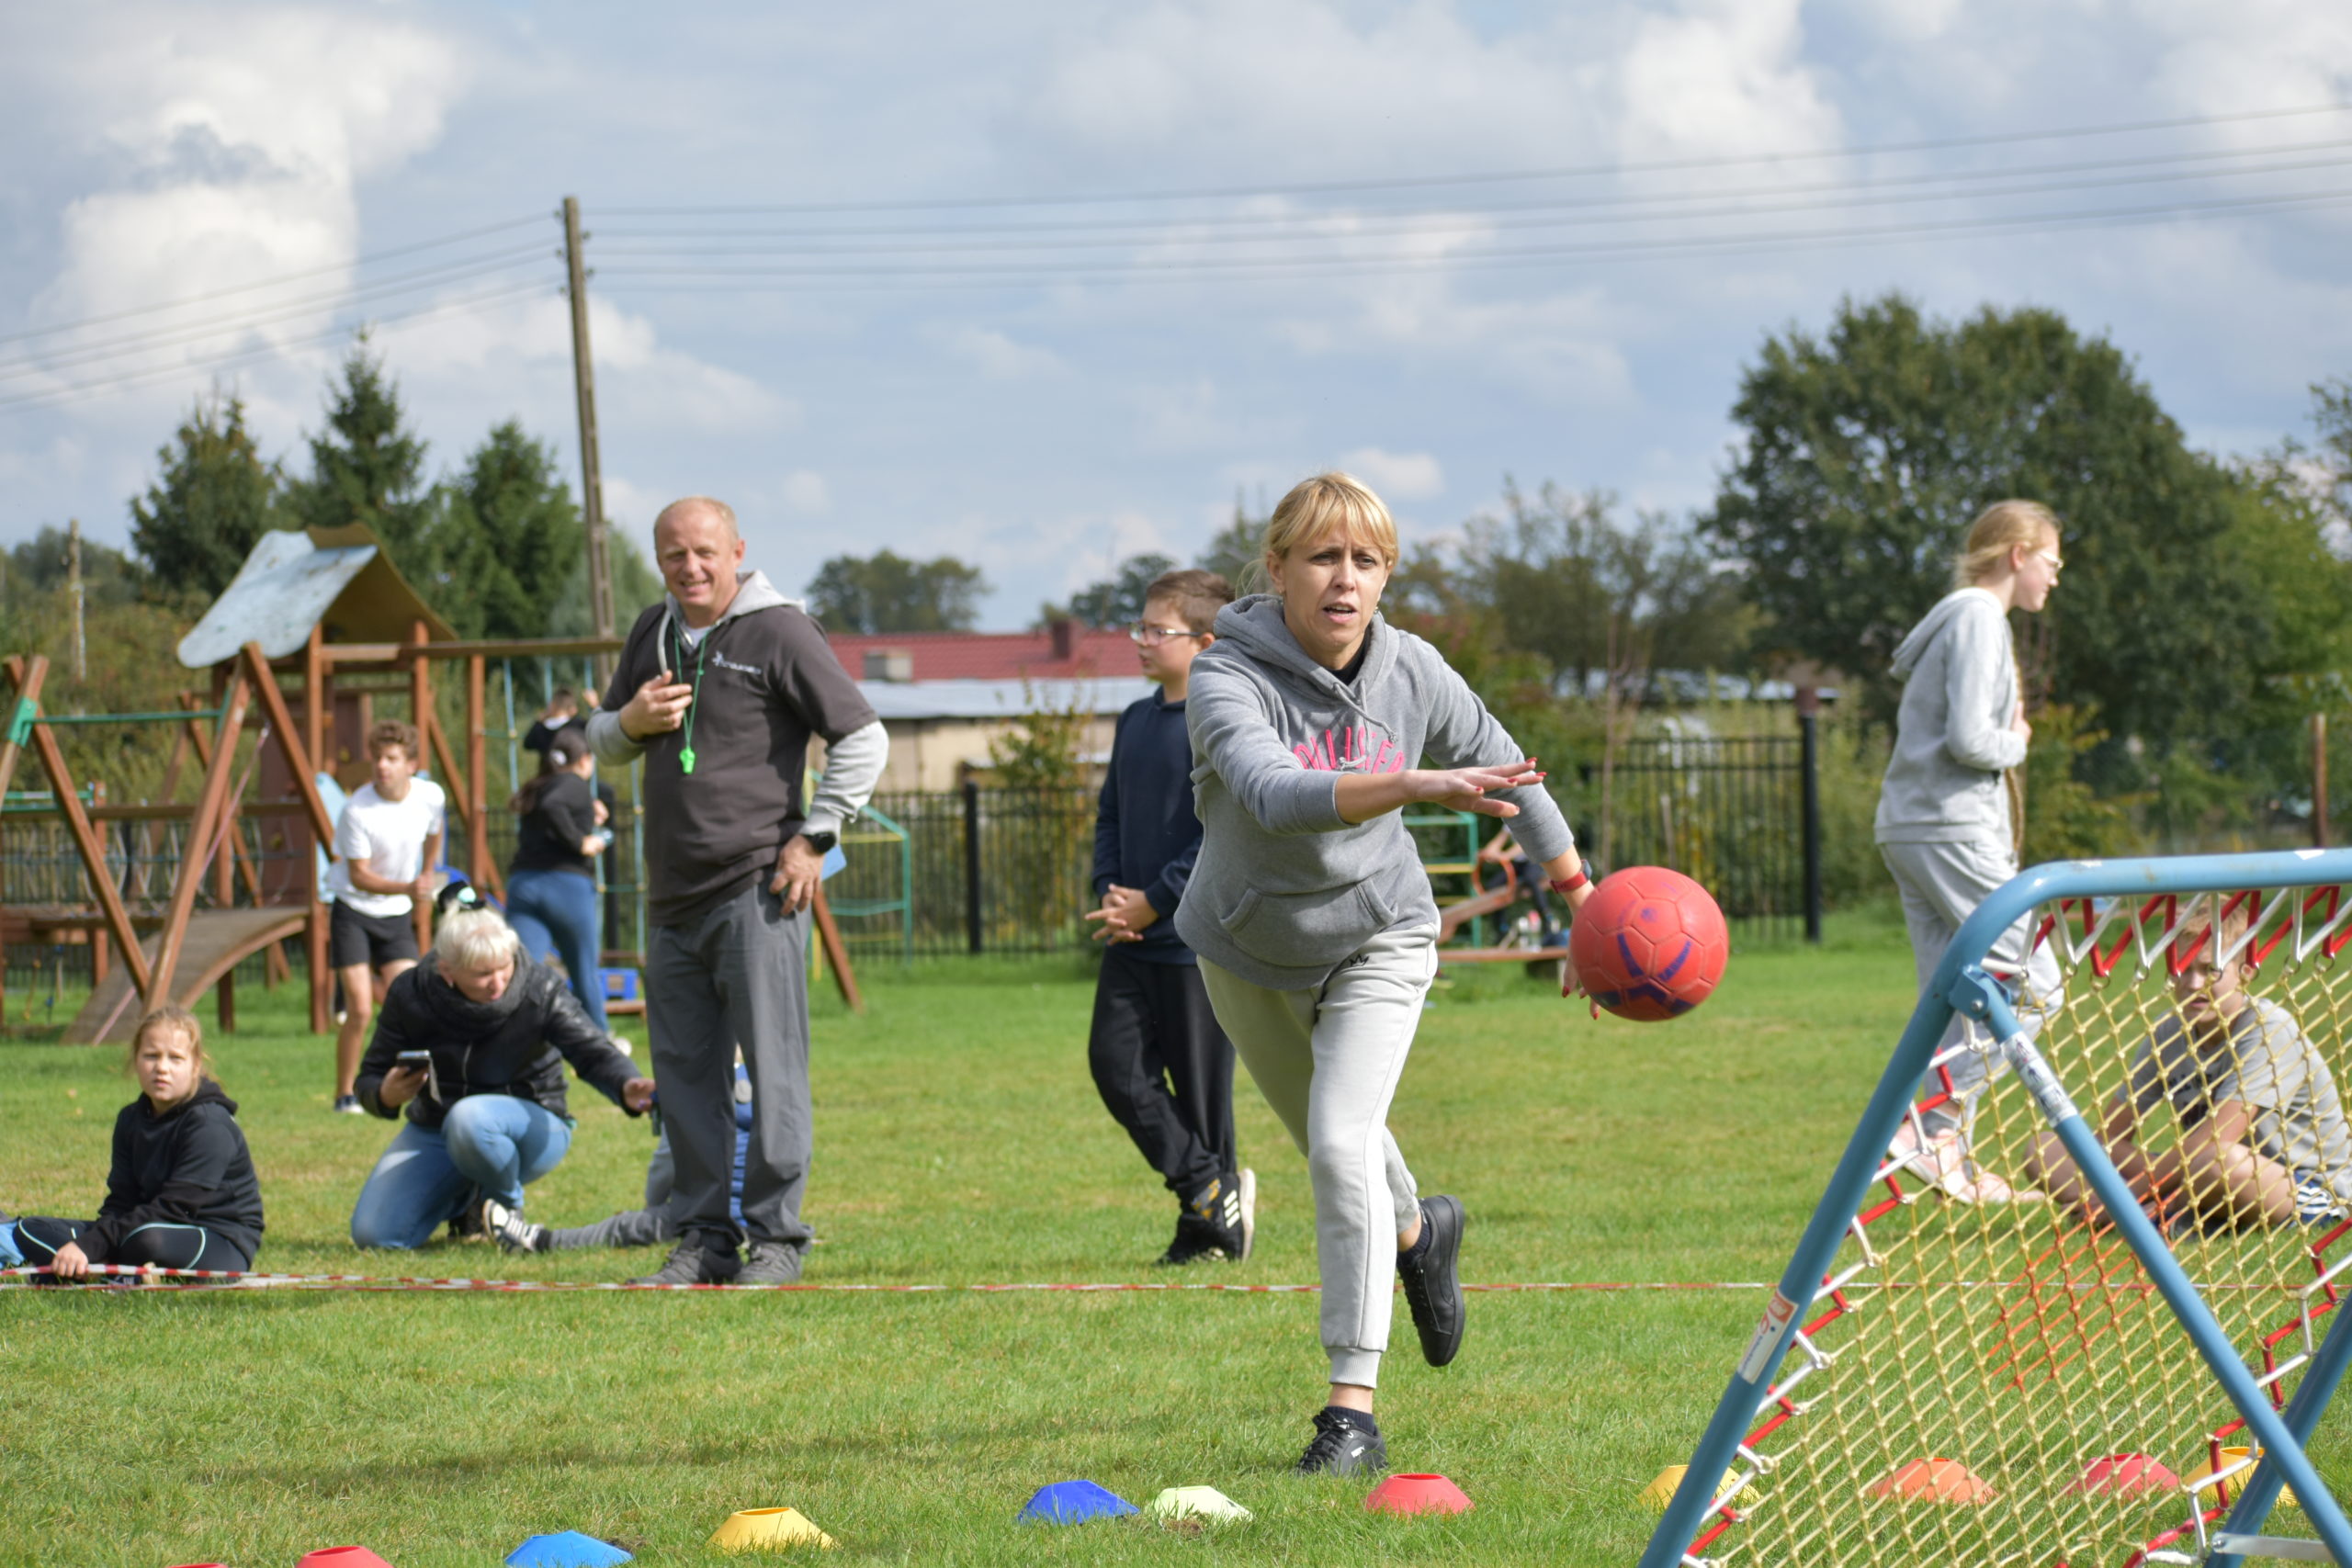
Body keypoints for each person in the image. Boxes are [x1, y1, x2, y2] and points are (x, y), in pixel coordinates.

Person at [1177, 472, 1592, 1476]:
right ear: (1276, 569)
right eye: (1322, 557)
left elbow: (1510, 769)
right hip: (1243, 950)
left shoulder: (1415, 670)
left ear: (1385, 576)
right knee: (1350, 1152)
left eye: (1366, 561)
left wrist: (1583, 901)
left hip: (1381, 936)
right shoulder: (1223, 674)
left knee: (1336, 1143)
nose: (1344, 579)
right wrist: (1405, 781)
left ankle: (1350, 1412)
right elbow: (1274, 796)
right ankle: (1416, 1230)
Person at [588, 496, 888, 1286]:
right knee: (685, 1080)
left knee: (775, 1071)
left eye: (704, 553)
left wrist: (815, 837)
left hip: (758, 888)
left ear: (737, 551)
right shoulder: (652, 632)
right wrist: (631, 720)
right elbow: (599, 739)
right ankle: (703, 1239)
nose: (689, 567)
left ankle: (777, 1239)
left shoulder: (781, 628)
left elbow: (864, 735)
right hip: (670, 898)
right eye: (673, 555)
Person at [1876, 501, 2065, 1202]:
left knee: (1948, 1000)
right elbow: (1969, 740)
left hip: (1909, 825)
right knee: (2034, 980)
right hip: (1950, 827)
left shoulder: (1955, 617)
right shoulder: (1981, 618)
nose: (2054, 576)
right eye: (2051, 561)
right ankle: (1931, 1126)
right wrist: (2018, 740)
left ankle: (1940, 1144)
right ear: (2018, 553)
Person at [1084, 567, 1254, 1267]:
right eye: (1142, 627)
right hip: (1132, 940)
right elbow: (1111, 815)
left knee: (1204, 1097)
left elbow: (1223, 831)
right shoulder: (1134, 719)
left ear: (1206, 642)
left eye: (1159, 629)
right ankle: (1206, 1186)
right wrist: (1113, 893)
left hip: (1197, 943)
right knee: (1114, 1067)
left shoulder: (1222, 721)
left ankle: (1208, 1229)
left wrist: (1158, 897)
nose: (1142, 640)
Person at [347, 897, 654, 1250]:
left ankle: (507, 1212)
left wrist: (626, 1083)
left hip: (533, 1123)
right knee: (376, 1236)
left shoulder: (539, 986)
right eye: (482, 974)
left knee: (470, 1118)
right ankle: (467, 1200)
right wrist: (384, 1094)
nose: (497, 982)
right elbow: (368, 1078)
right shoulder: (410, 990)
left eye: (503, 968)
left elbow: (592, 1050)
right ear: (447, 970)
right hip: (436, 1127)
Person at [2029, 907, 2352, 1233]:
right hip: (2198, 1171)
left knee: (2219, 1161)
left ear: (2246, 971)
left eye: (2210, 970)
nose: (2194, 983)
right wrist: (2148, 1171)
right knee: (2045, 1149)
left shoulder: (2268, 1030)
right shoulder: (2168, 1033)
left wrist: (2129, 1194)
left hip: (2300, 1184)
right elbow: (2109, 1137)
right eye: (2182, 969)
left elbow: (2215, 1142)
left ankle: (2139, 1214)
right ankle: (2152, 1213)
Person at [1, 1006, 263, 1279]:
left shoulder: (210, 1125)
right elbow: (122, 1200)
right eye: (151, 1056)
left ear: (195, 1065)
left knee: (146, 1241)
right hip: (141, 1224)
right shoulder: (130, 1118)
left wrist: (89, 1246)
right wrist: (85, 1244)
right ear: (136, 1059)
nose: (162, 1067)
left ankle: (99, 1270)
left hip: (218, 1238)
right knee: (32, 1228)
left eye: (175, 1058)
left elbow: (174, 1208)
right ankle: (107, 1271)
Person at [484, 1063, 753, 1254]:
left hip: (710, 1215)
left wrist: (653, 1208)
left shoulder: (696, 1085)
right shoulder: (760, 1082)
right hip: (760, 1216)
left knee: (622, 1227)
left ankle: (535, 1240)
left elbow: (666, 1162)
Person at [325, 719, 446, 1114]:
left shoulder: (430, 796)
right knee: (360, 1007)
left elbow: (435, 831)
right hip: (354, 910)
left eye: (392, 758)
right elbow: (359, 876)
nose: (382, 766)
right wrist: (411, 888)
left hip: (396, 914)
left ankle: (417, 1087)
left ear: (410, 764)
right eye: (377, 757)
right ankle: (345, 1095)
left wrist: (427, 871)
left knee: (411, 1001)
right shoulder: (357, 809)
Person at [505, 722, 611, 1032]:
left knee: (523, 974)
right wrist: (581, 842)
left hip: (524, 886)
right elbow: (556, 807)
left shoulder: (539, 785)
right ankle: (602, 1047)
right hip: (566, 888)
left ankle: (517, 1044)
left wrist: (589, 814)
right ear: (584, 759)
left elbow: (552, 808)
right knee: (584, 973)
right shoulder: (575, 783)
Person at [521, 687, 580, 758]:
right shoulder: (577, 726)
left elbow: (527, 744)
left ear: (552, 705)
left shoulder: (540, 729)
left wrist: (539, 721)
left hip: (548, 768)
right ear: (572, 707)